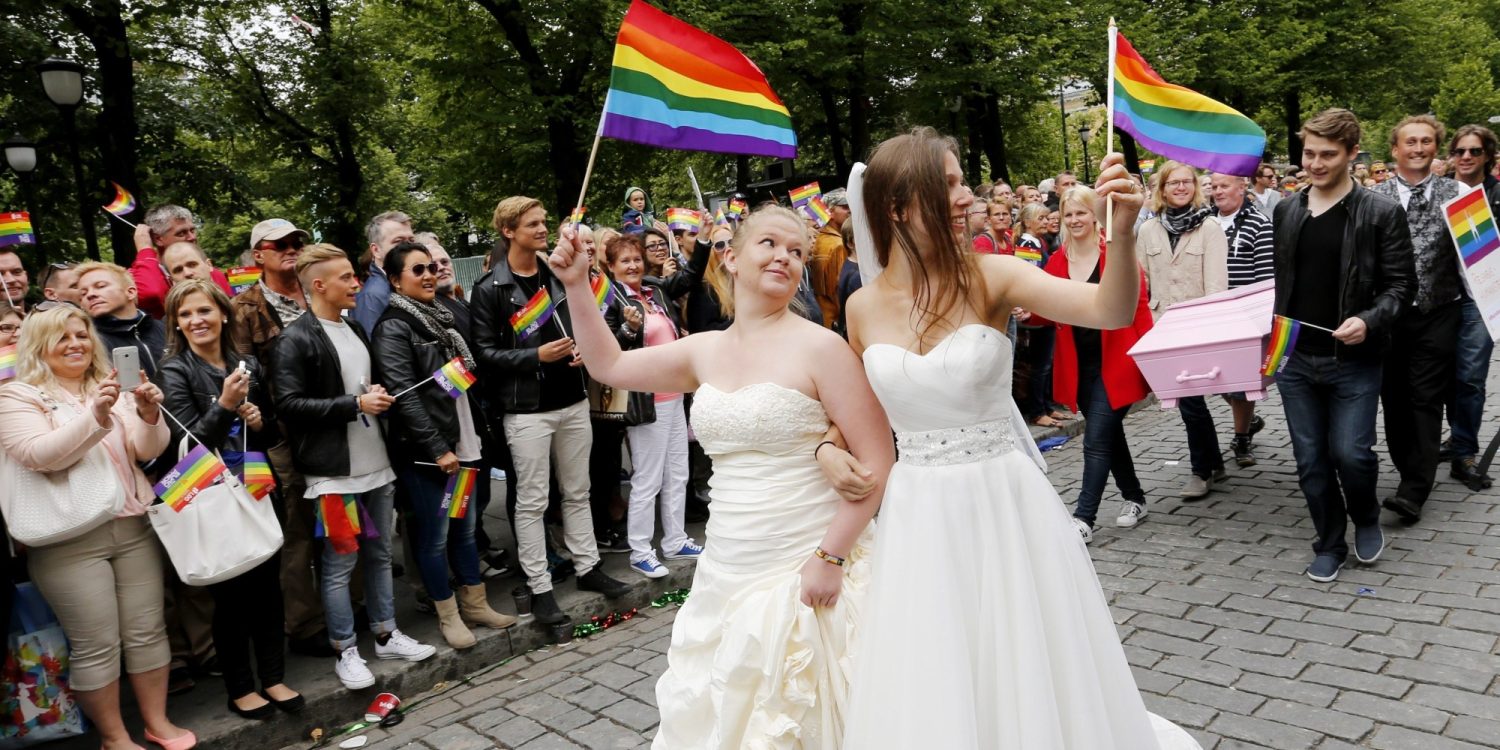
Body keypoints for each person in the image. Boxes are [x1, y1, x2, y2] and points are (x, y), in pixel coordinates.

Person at [839, 127, 1198, 748]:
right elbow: (854, 415)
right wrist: (825, 449)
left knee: (1025, 646)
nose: (965, 198)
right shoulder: (861, 308)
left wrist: (1120, 233)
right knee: (940, 656)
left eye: (963, 183)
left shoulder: (993, 275)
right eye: (946, 185)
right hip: (920, 510)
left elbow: (1109, 311)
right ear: (897, 206)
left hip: (1004, 500)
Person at [548, 203, 894, 748]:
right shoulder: (704, 350)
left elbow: (878, 460)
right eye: (771, 244)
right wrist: (575, 284)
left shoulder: (822, 347)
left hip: (807, 558)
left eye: (797, 251)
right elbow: (608, 366)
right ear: (730, 258)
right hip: (729, 562)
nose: (785, 257)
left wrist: (829, 558)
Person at [0, 306, 196, 750]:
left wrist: (147, 414)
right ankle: (114, 737)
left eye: (81, 335)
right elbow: (39, 454)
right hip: (68, 540)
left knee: (148, 632)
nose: (76, 344)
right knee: (97, 644)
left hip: (132, 526)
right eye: (61, 337)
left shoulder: (110, 385)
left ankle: (157, 723)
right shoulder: (18, 396)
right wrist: (96, 415)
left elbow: (146, 451)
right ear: (38, 345)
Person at [272, 243, 437, 689]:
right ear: (318, 285)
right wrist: (355, 403)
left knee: (380, 554)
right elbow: (287, 405)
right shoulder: (295, 338)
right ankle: (345, 648)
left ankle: (386, 633)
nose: (356, 283)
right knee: (340, 563)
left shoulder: (353, 329)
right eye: (346, 277)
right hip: (332, 474)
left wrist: (372, 396)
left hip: (377, 463)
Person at [471, 196, 632, 626]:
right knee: (533, 501)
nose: (543, 230)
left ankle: (588, 567)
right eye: (533, 224)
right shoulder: (490, 288)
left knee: (578, 491)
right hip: (526, 410)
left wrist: (582, 348)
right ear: (509, 231)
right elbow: (483, 355)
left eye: (543, 222)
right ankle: (540, 587)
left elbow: (582, 318)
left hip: (573, 399)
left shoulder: (556, 274)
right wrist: (534, 357)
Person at [1272, 108, 1415, 582]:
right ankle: (1329, 542)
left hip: (1354, 358)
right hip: (1297, 360)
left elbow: (1400, 287)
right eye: (1309, 153)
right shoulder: (1287, 210)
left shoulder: (1380, 212)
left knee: (1352, 453)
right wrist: (1272, 346)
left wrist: (1368, 321)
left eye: (1327, 155)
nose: (1314, 163)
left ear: (1353, 154)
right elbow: (1284, 286)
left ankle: (1367, 516)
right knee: (1310, 459)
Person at [157, 280, 304, 720]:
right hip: (211, 497)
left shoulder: (246, 364)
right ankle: (241, 687)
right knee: (230, 596)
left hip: (256, 487)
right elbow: (185, 446)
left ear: (223, 314)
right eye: (185, 315)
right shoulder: (175, 371)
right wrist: (223, 405)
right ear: (177, 325)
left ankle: (274, 678)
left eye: (203, 311)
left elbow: (274, 433)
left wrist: (259, 423)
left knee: (267, 590)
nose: (195, 321)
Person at [372, 241, 518, 650]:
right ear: (395, 281)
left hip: (464, 442)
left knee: (465, 529)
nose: (429, 274)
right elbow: (405, 393)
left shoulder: (442, 318)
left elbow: (459, 382)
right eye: (417, 270)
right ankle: (448, 615)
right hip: (430, 455)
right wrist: (437, 448)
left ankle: (476, 604)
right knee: (435, 537)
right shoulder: (394, 326)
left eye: (432, 267)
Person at [228, 218, 333, 656]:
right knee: (297, 530)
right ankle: (304, 625)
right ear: (259, 255)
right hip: (285, 434)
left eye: (297, 242)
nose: (291, 249)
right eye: (280, 244)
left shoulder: (318, 289)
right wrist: (268, 430)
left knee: (340, 521)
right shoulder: (245, 307)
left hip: (336, 423)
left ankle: (348, 608)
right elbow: (244, 375)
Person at [1039, 185, 1155, 539]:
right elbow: (1046, 308)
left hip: (1117, 361)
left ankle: (1083, 518)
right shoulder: (1056, 262)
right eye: (1068, 213)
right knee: (1109, 435)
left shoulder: (1115, 255)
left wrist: (1150, 358)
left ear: (1095, 215)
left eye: (1081, 212)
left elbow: (1139, 306)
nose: (1075, 220)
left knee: (1096, 439)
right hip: (1081, 367)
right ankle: (1135, 497)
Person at [1369, 115, 1464, 524]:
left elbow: (1482, 256)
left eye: (1426, 141)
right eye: (1411, 142)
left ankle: (1414, 489)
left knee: (1426, 398)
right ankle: (1410, 471)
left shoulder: (1459, 192)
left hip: (1440, 310)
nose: (1419, 148)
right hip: (1389, 316)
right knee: (1393, 397)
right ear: (1396, 149)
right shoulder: (1373, 196)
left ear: (1435, 147)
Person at [599, 234, 703, 578]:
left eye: (637, 259)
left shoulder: (654, 290)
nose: (633, 266)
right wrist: (629, 330)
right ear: (611, 267)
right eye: (625, 261)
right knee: (647, 478)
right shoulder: (610, 302)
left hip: (674, 395)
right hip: (645, 402)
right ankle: (640, 550)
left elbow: (687, 278)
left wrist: (702, 238)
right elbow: (607, 354)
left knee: (678, 471)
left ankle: (675, 540)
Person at [1138, 162, 1229, 499]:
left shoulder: (1210, 228)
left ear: (1195, 186)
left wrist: (1212, 329)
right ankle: (1214, 461)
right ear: (1161, 189)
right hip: (1163, 327)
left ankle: (1201, 471)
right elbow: (1142, 283)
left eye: (1186, 182)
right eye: (1173, 182)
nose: (1180, 187)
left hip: (1198, 325)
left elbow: (1218, 286)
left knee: (1191, 401)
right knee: (1188, 401)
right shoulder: (1148, 231)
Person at [1443, 124, 1499, 490]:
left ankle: (1464, 450)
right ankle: (1455, 437)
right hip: (1443, 297)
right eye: (1460, 150)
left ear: (1487, 156)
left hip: (1482, 299)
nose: (1466, 157)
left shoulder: (1496, 195)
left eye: (1474, 151)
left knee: (1470, 377)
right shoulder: (1443, 193)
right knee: (1445, 376)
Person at [1209, 171, 1275, 466]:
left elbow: (1265, 277)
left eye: (1224, 186)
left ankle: (1242, 438)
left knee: (1242, 380)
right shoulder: (1204, 221)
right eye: (1214, 187)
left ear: (1242, 187)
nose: (1218, 191)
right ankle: (1248, 420)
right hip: (1211, 314)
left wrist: (1258, 318)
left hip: (1244, 315)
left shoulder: (1259, 224)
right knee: (1214, 378)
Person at [131, 205, 233, 319]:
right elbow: (151, 294)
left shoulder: (213, 272)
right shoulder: (141, 271)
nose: (192, 237)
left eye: (192, 230)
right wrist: (145, 249)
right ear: (158, 239)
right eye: (181, 233)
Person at [76, 262, 167, 380]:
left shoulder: (167, 329)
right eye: (83, 294)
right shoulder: (88, 342)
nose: (90, 295)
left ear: (130, 292)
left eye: (100, 286)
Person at [352, 211, 416, 335]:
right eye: (399, 242)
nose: (409, 248)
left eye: (411, 241)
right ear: (376, 250)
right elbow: (376, 349)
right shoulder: (371, 297)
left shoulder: (406, 284)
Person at [810, 188, 851, 328]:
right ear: (830, 212)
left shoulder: (820, 239)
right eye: (845, 207)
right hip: (835, 320)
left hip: (823, 317)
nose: (850, 210)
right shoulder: (837, 245)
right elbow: (838, 290)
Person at [160, 242, 234, 295]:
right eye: (178, 270)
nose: (187, 273)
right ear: (172, 280)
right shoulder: (172, 316)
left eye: (192, 265)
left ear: (209, 265)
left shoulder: (239, 310)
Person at [0, 247, 29, 313]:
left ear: (26, 276)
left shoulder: (47, 320)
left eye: (17, 272)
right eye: (1, 274)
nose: (11, 280)